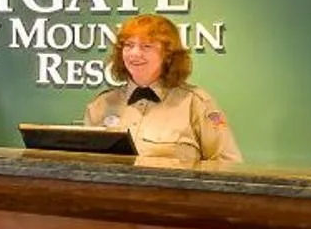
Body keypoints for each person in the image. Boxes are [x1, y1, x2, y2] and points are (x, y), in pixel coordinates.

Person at [82, 13, 242, 162]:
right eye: (129, 45)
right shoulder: (101, 104)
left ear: (168, 55)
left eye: (146, 46)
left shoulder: (197, 103)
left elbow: (228, 165)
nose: (134, 53)